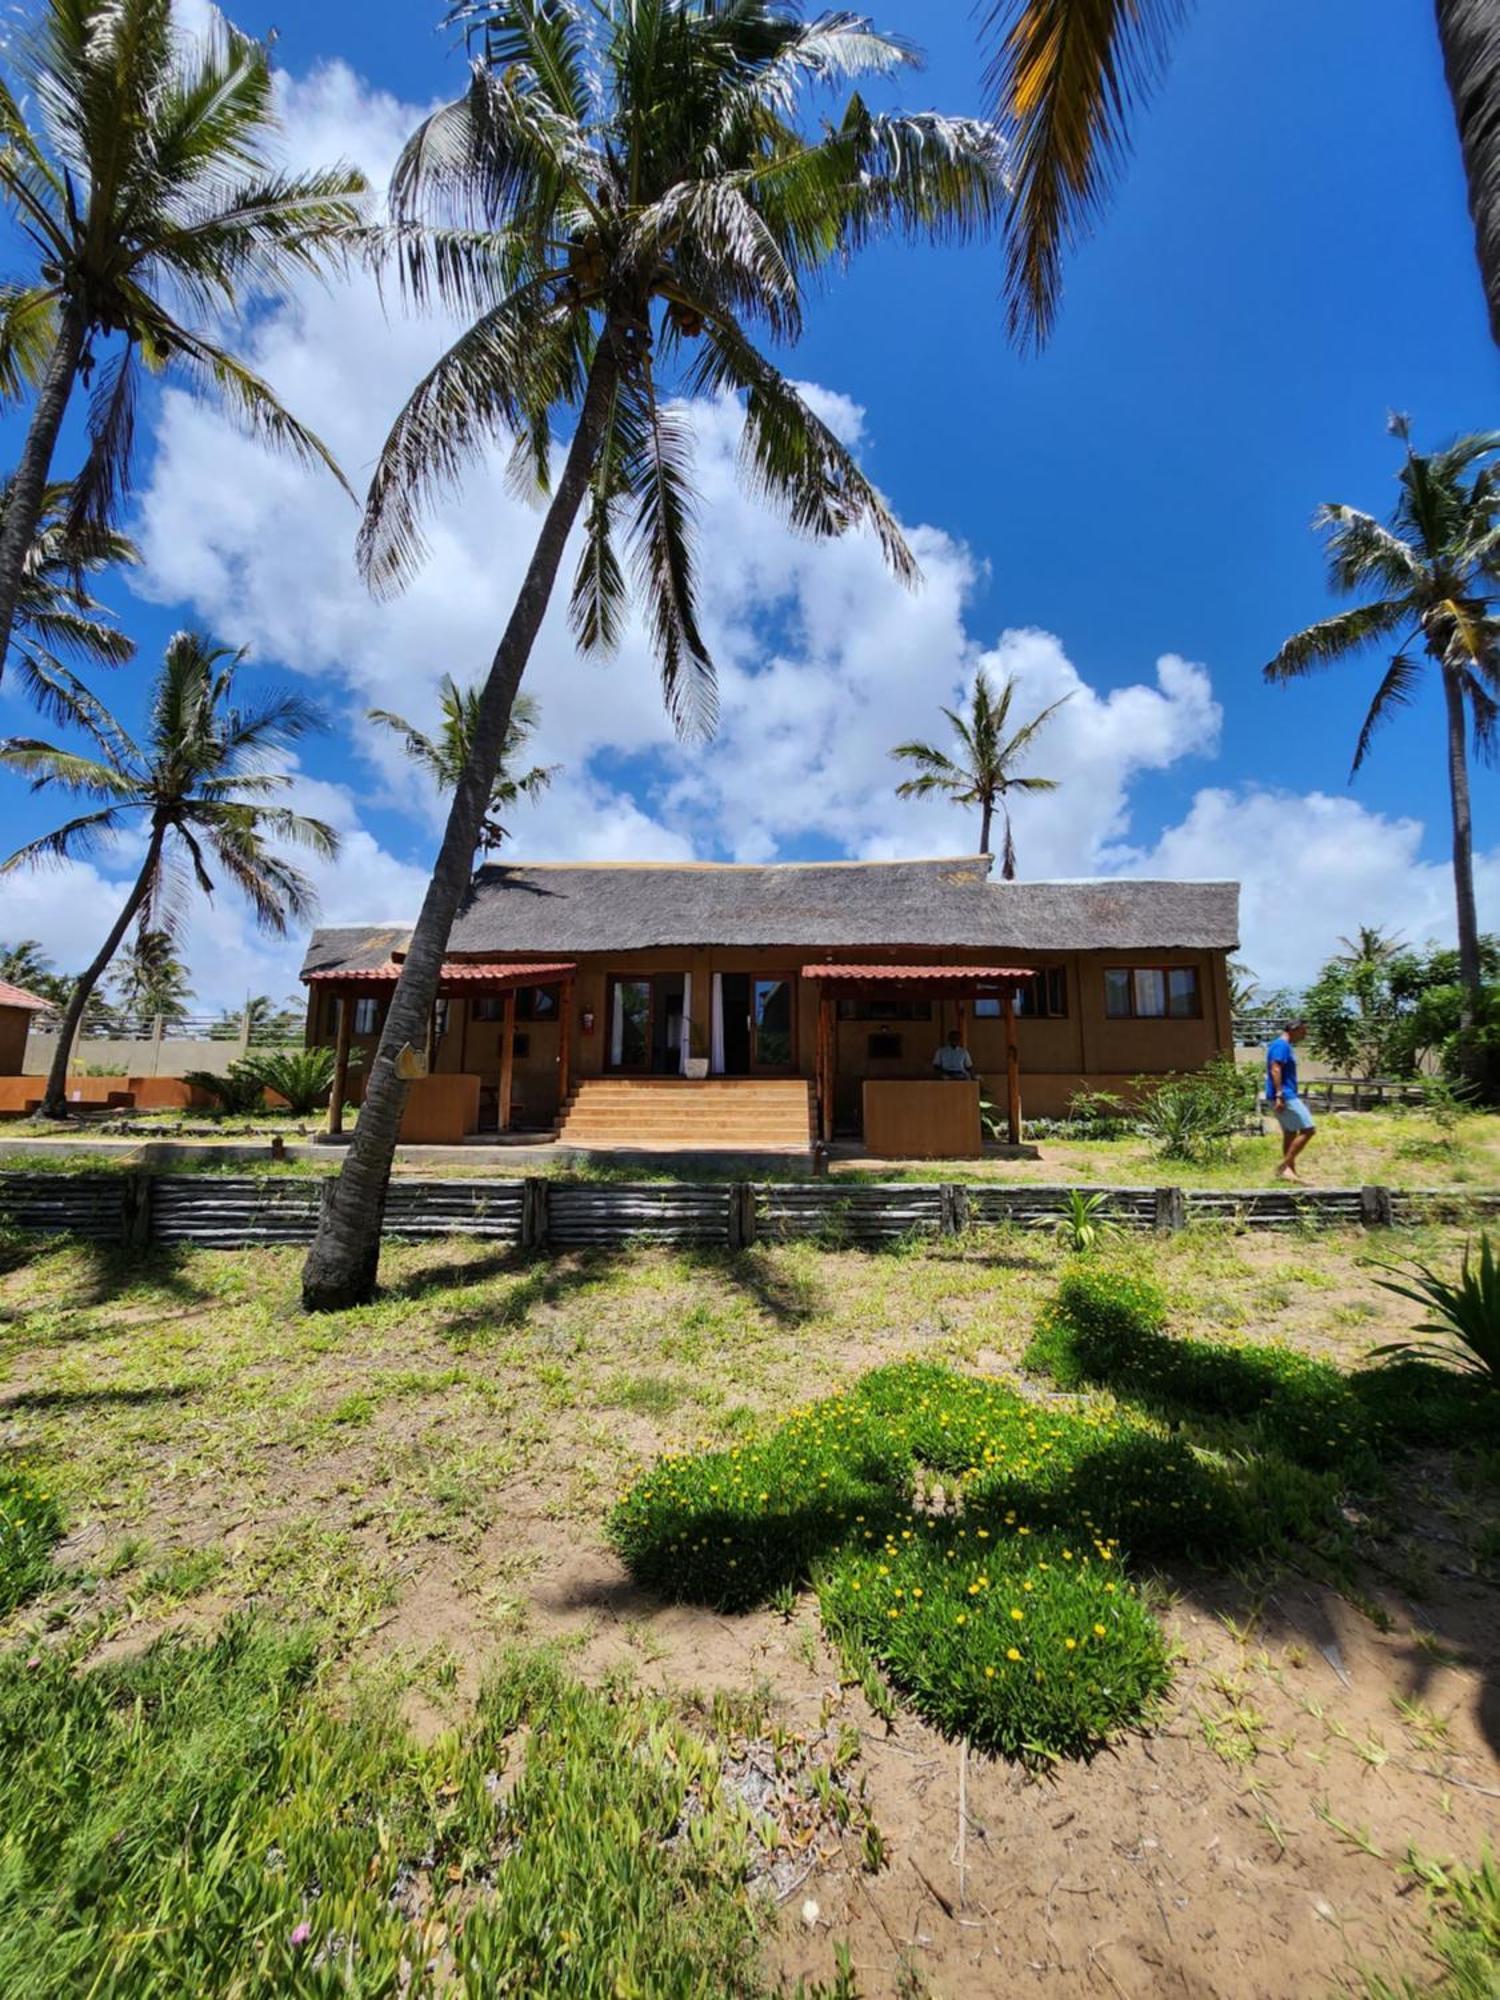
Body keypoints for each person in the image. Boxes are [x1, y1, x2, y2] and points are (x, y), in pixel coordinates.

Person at [1265, 1019, 1315, 1182]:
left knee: (1290, 1132)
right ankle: (1284, 1167)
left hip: (1283, 1094)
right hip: (1285, 1095)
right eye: (1303, 1031)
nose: (1305, 1035)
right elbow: (1275, 1068)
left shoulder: (1282, 1046)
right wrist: (1280, 1094)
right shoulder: (1281, 1046)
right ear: (1294, 1029)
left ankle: (1290, 1172)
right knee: (1308, 1129)